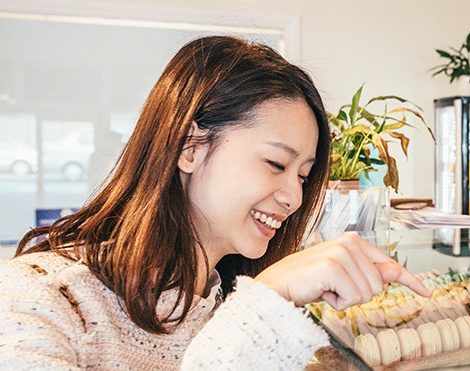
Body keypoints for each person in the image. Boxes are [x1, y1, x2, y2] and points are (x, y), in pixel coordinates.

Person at [0, 36, 430, 369]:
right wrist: (264, 303)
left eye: (302, 175)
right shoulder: (43, 296)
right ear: (190, 147)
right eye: (275, 163)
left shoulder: (222, 298)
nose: (294, 197)